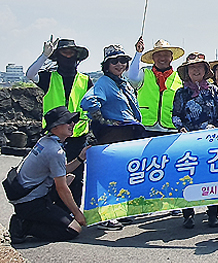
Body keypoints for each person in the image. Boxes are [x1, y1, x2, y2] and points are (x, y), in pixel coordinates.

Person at [25, 37, 92, 212]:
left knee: (76, 177)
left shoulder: (85, 80)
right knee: (50, 177)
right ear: (57, 56)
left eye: (71, 52)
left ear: (77, 56)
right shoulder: (49, 77)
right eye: (64, 52)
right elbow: (30, 75)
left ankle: (71, 213)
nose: (68, 56)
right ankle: (51, 211)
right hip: (53, 137)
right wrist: (44, 56)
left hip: (77, 136)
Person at [8, 106, 88, 243]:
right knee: (74, 229)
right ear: (55, 127)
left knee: (71, 179)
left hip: (26, 197)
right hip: (31, 202)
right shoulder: (55, 151)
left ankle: (49, 216)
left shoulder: (45, 141)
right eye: (67, 122)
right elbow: (61, 188)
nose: (72, 124)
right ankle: (25, 225)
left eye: (72, 121)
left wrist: (80, 158)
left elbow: (61, 170)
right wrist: (77, 214)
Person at [172, 52, 218, 228]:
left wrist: (216, 127)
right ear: (187, 72)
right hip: (188, 142)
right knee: (187, 177)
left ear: (205, 70)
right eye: (192, 68)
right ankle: (188, 215)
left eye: (199, 67)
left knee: (211, 176)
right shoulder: (181, 93)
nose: (196, 70)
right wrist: (181, 128)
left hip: (210, 141)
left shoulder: (213, 90)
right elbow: (176, 115)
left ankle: (213, 213)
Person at [81, 44, 145, 145]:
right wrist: (104, 121)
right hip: (115, 134)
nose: (119, 64)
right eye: (114, 61)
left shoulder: (125, 83)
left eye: (123, 61)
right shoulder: (104, 82)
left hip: (130, 132)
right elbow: (88, 101)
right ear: (107, 65)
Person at [129, 38, 185, 137]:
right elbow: (132, 77)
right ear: (153, 58)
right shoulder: (144, 74)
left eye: (166, 55)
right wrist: (138, 53)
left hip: (171, 129)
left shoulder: (180, 78)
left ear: (171, 58)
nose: (162, 58)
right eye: (158, 55)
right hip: (145, 128)